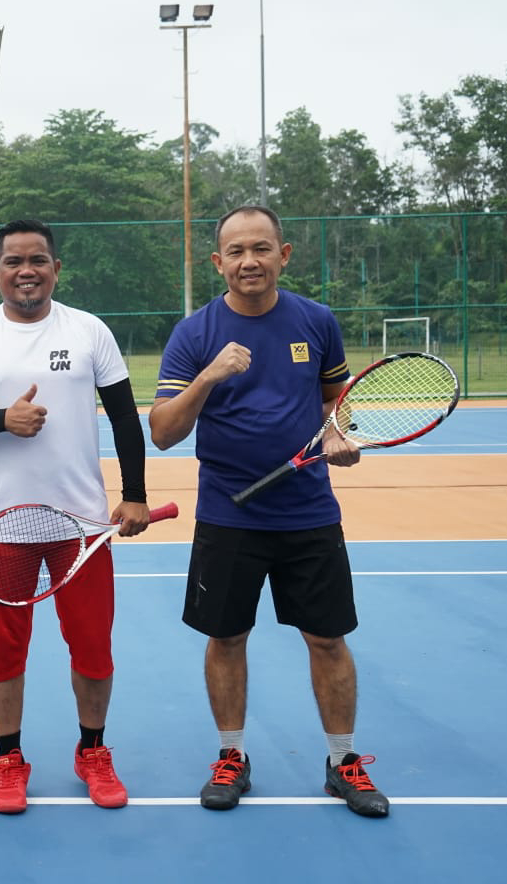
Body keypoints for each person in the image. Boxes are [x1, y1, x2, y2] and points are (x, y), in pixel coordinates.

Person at [149, 204, 389, 818]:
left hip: (309, 513)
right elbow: (164, 431)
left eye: (262, 248)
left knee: (327, 638)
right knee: (226, 638)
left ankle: (343, 762)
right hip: (228, 517)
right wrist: (210, 374)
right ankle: (231, 756)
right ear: (218, 262)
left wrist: (340, 435)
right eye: (236, 251)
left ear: (283, 255)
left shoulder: (316, 321)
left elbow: (340, 400)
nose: (249, 261)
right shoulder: (195, 334)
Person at [0, 218, 153, 815]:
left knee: (93, 649)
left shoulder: (89, 332)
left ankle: (93, 751)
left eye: (38, 260)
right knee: (3, 653)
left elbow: (127, 419)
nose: (27, 270)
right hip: (2, 528)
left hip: (80, 527)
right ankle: (9, 759)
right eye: (14, 261)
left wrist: (134, 494)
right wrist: (2, 419)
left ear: (56, 268)